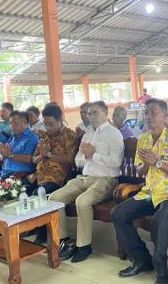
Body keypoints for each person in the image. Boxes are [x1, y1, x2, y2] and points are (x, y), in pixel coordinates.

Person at [111, 98, 168, 284]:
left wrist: (158, 162)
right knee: (118, 213)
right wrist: (146, 163)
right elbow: (140, 171)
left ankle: (161, 268)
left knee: (160, 220)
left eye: (154, 112)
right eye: (146, 112)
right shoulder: (143, 139)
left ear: (165, 115)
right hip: (149, 192)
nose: (149, 116)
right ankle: (141, 259)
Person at [49, 101, 124, 263]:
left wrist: (93, 155)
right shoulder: (88, 134)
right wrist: (86, 157)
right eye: (89, 114)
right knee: (54, 198)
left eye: (95, 113)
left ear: (106, 112)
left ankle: (84, 246)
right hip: (84, 178)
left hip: (106, 179)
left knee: (82, 202)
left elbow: (116, 162)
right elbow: (78, 160)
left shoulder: (114, 133)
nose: (91, 117)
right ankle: (65, 240)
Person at [0, 111, 39, 190]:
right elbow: (2, 158)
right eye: (10, 123)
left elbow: (28, 159)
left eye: (15, 123)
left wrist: (9, 154)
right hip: (4, 173)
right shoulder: (12, 138)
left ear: (24, 123)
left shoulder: (32, 138)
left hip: (20, 175)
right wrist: (3, 154)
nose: (11, 126)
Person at [32, 104, 78, 194]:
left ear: (60, 121)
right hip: (38, 176)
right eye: (45, 124)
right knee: (21, 190)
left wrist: (48, 155)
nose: (47, 127)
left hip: (57, 178)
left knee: (37, 195)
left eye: (51, 124)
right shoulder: (44, 136)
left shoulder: (69, 135)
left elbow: (71, 159)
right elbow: (33, 159)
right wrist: (42, 155)